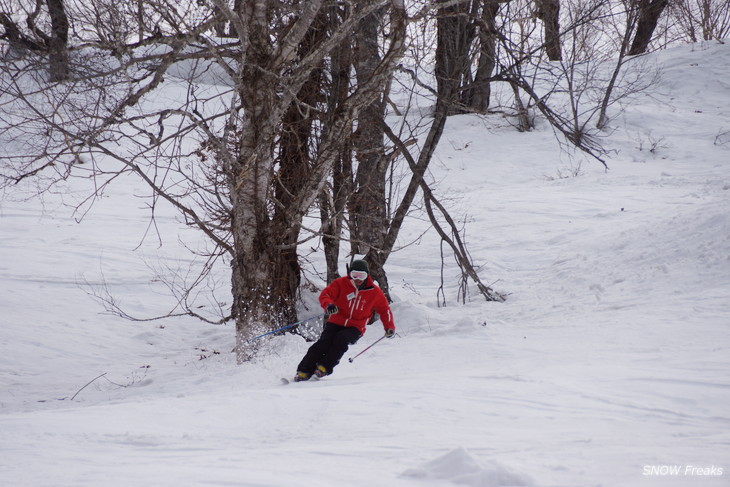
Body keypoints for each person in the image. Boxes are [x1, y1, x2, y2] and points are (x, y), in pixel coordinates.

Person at [294, 259, 395, 381]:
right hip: (335, 322)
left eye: (361, 275)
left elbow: (385, 310)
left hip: (356, 327)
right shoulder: (340, 284)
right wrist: (329, 305)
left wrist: (389, 327)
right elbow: (325, 295)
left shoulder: (374, 292)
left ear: (367, 275)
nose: (358, 279)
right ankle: (304, 371)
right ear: (350, 274)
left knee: (341, 339)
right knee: (323, 344)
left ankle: (324, 367)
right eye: (355, 275)